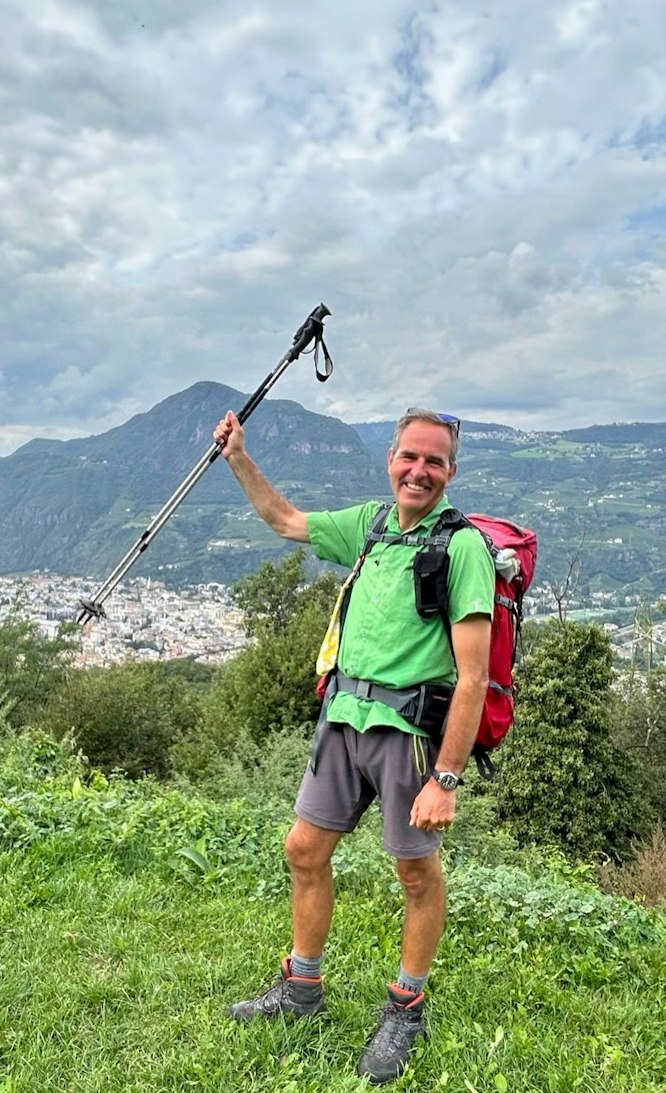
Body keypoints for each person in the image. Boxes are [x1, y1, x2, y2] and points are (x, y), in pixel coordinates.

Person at [217, 406, 494, 1085]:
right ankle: (301, 989)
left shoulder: (462, 548)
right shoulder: (371, 525)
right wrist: (239, 459)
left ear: (451, 471)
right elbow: (287, 521)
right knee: (304, 850)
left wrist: (446, 780)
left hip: (409, 735)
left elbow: (473, 676)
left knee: (416, 874)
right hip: (342, 720)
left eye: (434, 461)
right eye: (410, 456)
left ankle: (406, 1008)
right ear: (391, 459)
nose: (419, 471)